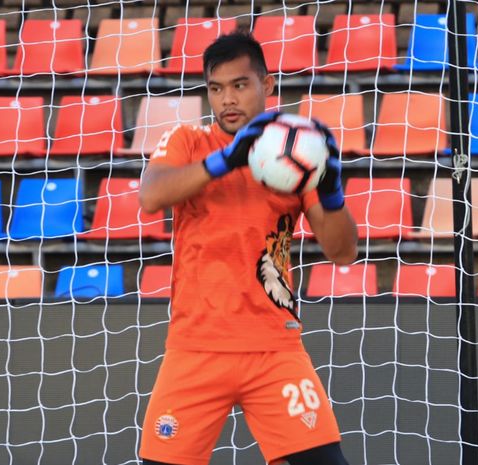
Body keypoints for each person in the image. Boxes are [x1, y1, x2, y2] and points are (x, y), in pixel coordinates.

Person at [138, 31, 358, 465]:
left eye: (239, 85)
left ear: (267, 85)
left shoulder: (297, 151)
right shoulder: (190, 142)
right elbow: (150, 196)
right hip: (196, 347)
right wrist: (226, 160)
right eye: (216, 89)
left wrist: (330, 191)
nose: (227, 100)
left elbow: (344, 253)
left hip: (274, 350)